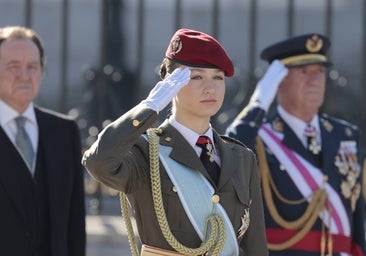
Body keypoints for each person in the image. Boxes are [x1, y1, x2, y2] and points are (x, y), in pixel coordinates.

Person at [83, 28, 268, 256]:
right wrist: (149, 107)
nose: (210, 88)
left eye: (218, 77)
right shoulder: (145, 151)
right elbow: (97, 162)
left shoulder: (241, 157)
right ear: (171, 83)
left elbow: (255, 246)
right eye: (196, 77)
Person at [226, 33, 366, 256]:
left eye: (319, 71)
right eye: (303, 72)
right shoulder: (259, 137)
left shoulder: (346, 135)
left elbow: (357, 214)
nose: (314, 80)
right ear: (279, 82)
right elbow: (232, 150)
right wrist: (259, 103)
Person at [0, 26, 86, 256]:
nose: (25, 75)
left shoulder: (64, 131)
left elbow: (75, 221)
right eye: (13, 67)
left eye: (32, 67)